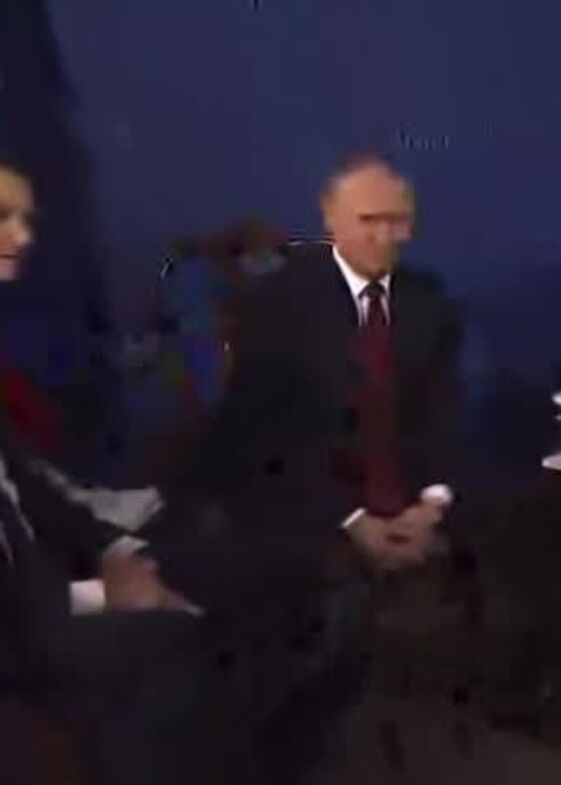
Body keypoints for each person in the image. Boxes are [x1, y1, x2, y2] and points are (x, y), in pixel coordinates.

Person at [168, 153, 463, 781]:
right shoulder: (279, 305)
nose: (383, 236)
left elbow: (439, 419)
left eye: (396, 221)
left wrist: (430, 506)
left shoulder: (429, 302)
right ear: (331, 220)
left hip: (405, 498)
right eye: (367, 220)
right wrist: (352, 519)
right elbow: (261, 439)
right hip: (301, 494)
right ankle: (293, 746)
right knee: (296, 611)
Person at [0, 162, 251, 784]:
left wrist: (121, 552)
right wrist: (101, 594)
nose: (24, 236)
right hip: (21, 629)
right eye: (3, 217)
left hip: (44, 588)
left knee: (222, 564)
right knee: (181, 649)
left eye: (27, 219)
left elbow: (36, 491)